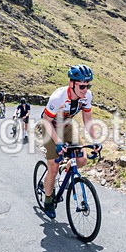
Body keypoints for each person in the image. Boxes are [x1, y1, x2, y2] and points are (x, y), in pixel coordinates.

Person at [40, 64, 101, 219]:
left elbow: (87, 119)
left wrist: (95, 140)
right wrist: (58, 142)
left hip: (67, 125)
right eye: (82, 86)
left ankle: (65, 171)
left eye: (88, 86)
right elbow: (46, 121)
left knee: (81, 160)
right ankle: (48, 200)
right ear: (71, 84)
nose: (85, 90)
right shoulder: (58, 97)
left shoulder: (87, 96)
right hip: (50, 127)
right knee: (52, 167)